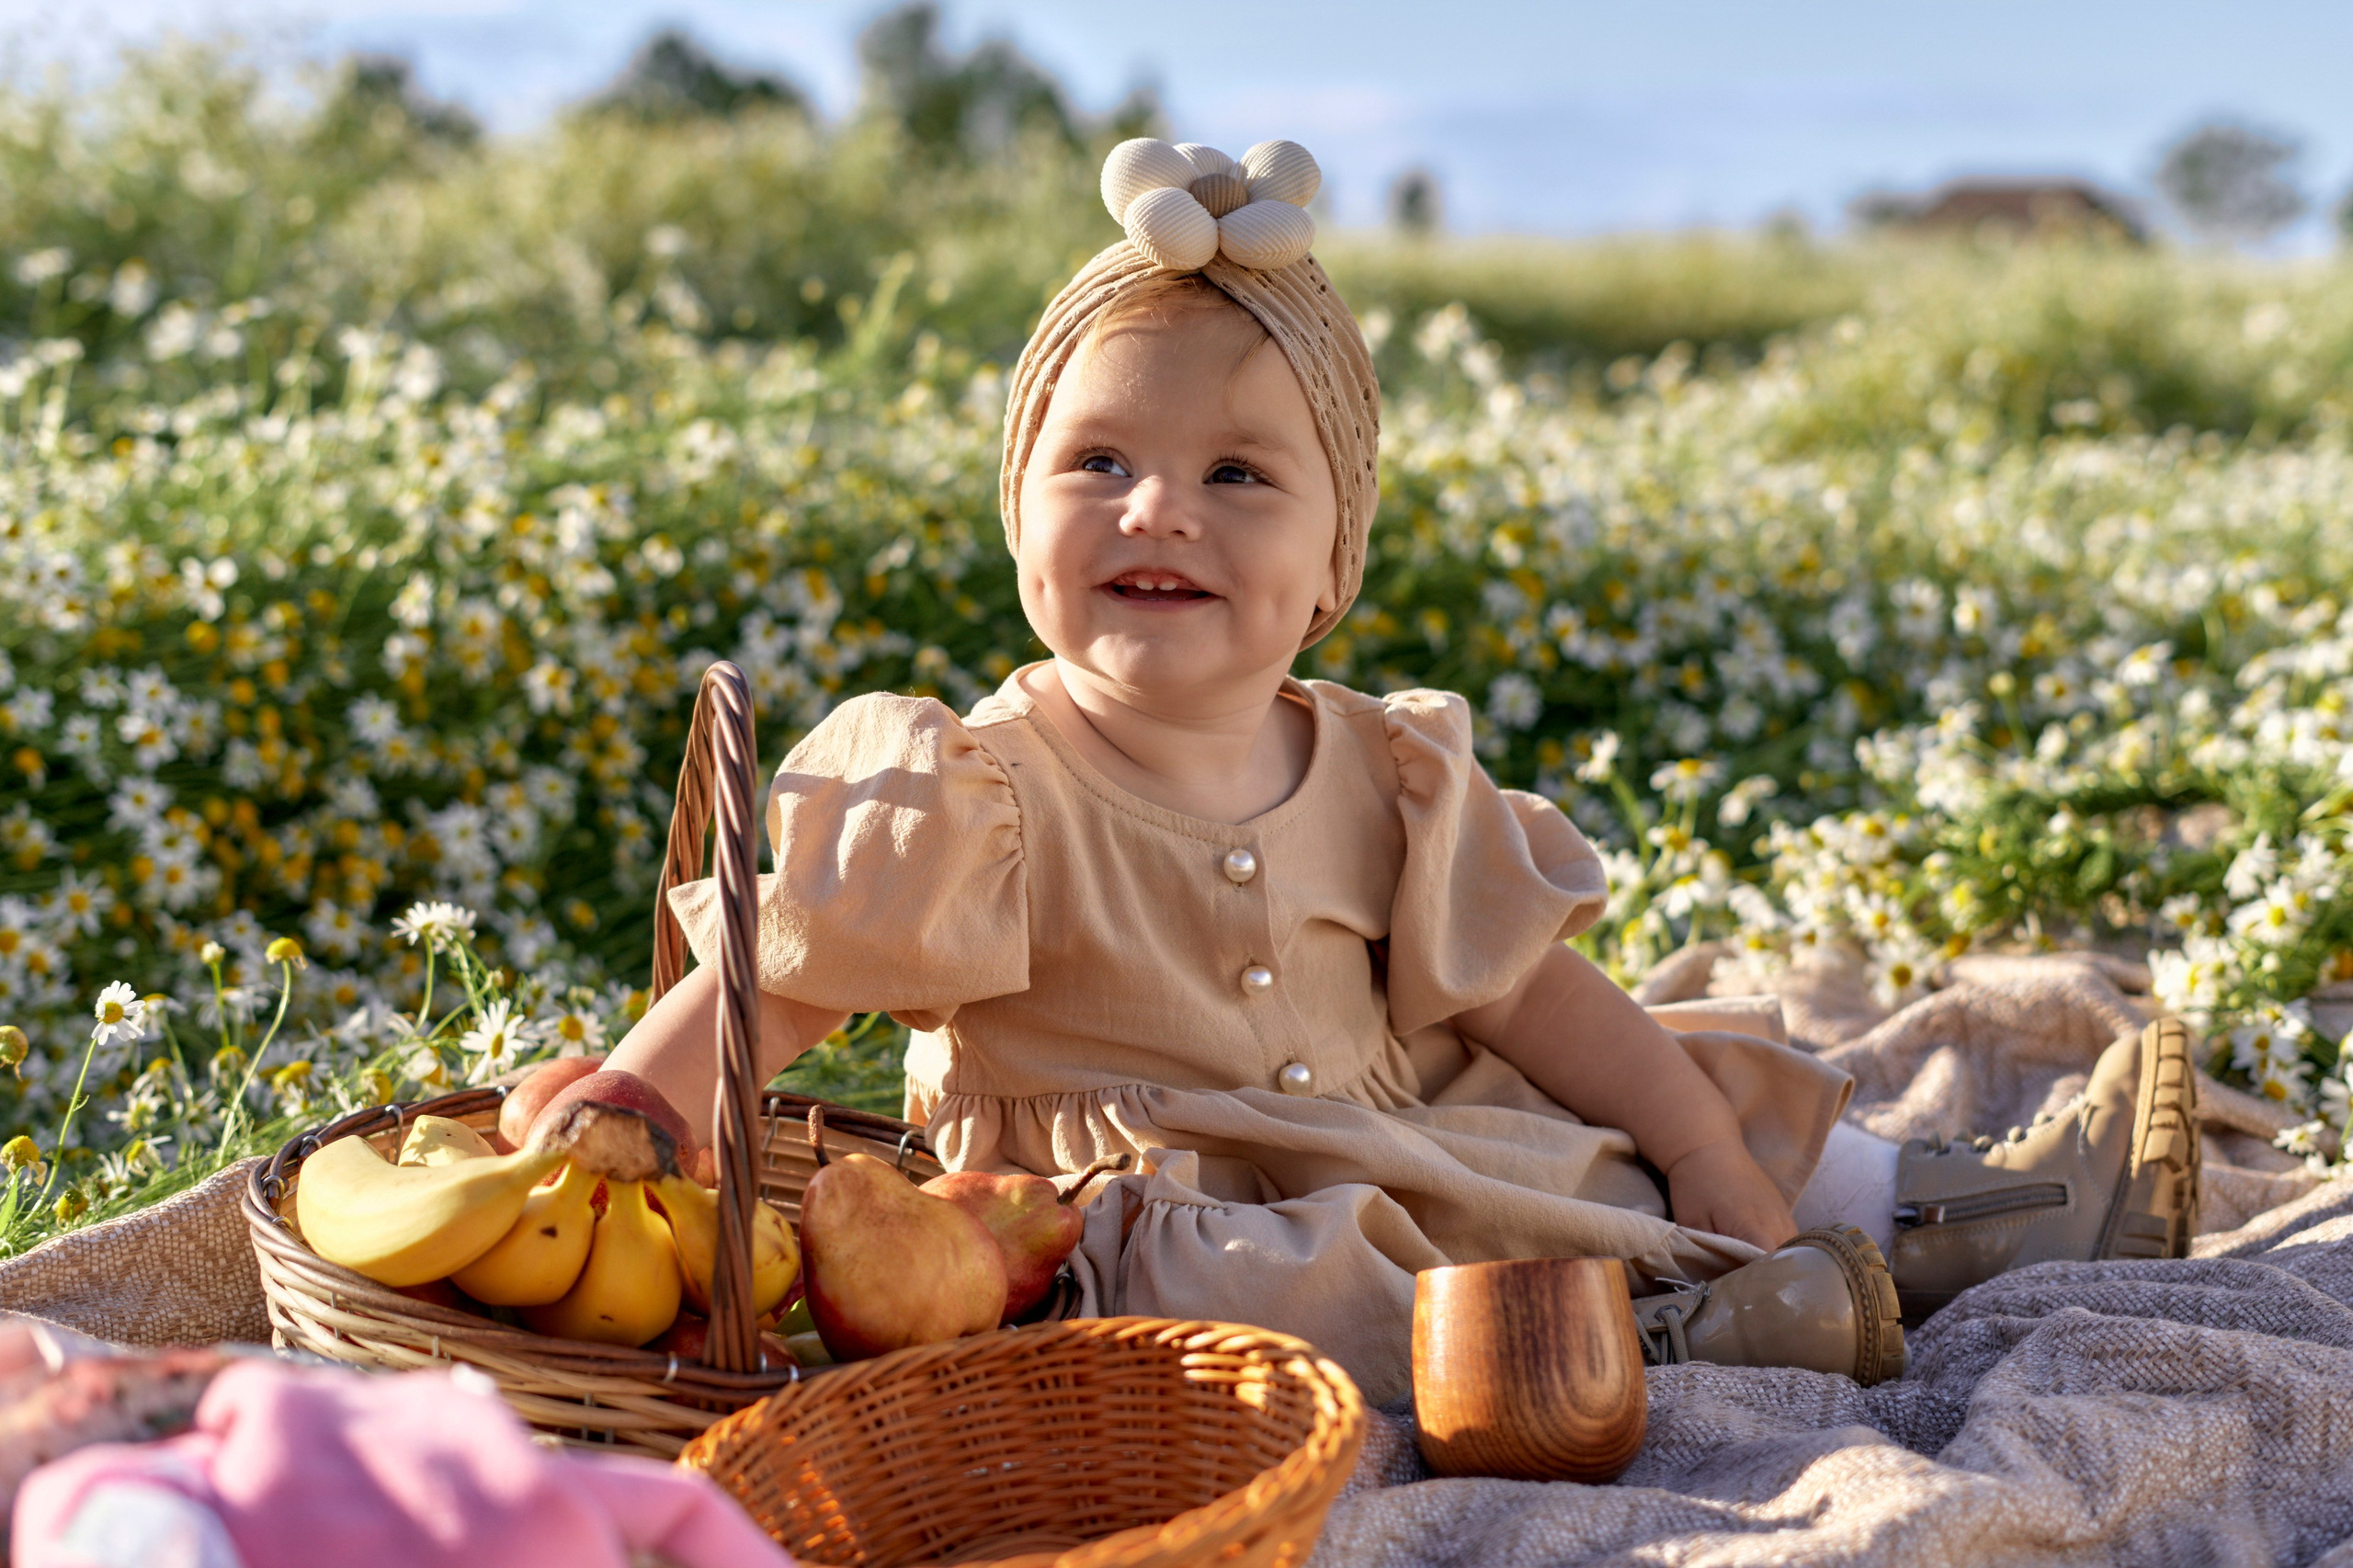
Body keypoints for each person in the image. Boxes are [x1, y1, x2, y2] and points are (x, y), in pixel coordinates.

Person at [608, 138, 2200, 1404]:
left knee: (1651, 1090)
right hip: (1132, 1220)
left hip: (1404, 1136)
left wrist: (1703, 1144)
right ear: (1017, 512)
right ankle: (1665, 1344)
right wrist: (629, 1103)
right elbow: (791, 978)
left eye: (1238, 475)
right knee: (1244, 1281)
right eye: (1098, 461)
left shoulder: (1378, 763)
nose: (1158, 508)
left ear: (1329, 564)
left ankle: (1961, 1212)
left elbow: (1527, 996)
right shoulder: (977, 788)